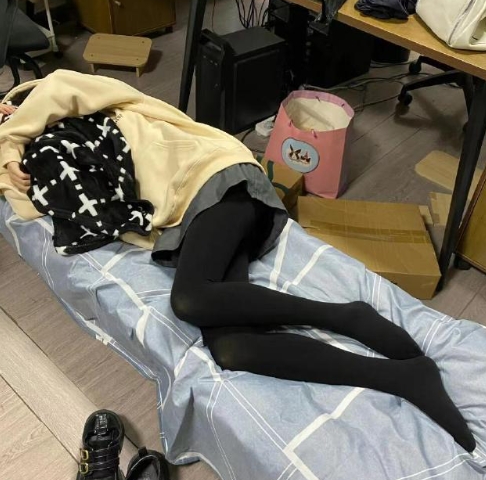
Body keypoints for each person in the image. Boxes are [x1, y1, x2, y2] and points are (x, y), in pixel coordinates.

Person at [0, 72, 476, 452]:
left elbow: (58, 91)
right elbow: (29, 205)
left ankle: (347, 315)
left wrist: (12, 137)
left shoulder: (58, 92)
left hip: (215, 179)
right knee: (231, 350)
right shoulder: (35, 154)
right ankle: (401, 377)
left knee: (189, 299)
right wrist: (11, 161)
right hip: (185, 219)